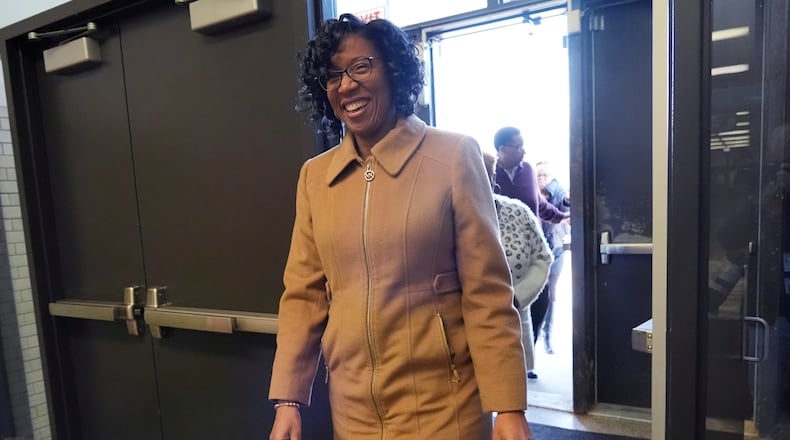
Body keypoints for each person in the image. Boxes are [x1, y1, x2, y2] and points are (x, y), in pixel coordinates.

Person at [269, 14, 533, 440]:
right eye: (333, 75)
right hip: (353, 413)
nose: (346, 85)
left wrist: (508, 406)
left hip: (444, 408)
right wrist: (288, 399)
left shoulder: (452, 157)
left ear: (392, 70)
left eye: (360, 67)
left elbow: (487, 293)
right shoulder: (315, 178)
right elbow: (303, 295)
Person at [493, 127, 568, 375]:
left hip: (535, 244)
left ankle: (527, 353)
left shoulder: (527, 171)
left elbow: (539, 203)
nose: (524, 151)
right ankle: (513, 362)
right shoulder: (491, 175)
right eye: (518, 146)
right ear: (503, 150)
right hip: (504, 256)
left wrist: (560, 216)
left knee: (541, 301)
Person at [484, 152, 553, 382]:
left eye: (485, 175)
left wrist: (517, 298)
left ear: (493, 179)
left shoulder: (518, 212)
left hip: (512, 321)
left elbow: (543, 257)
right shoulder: (444, 216)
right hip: (462, 330)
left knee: (511, 394)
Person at [535, 161, 570, 354]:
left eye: (545, 175)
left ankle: (548, 335)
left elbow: (566, 202)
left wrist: (567, 199)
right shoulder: (531, 193)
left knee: (551, 292)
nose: (542, 179)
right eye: (539, 175)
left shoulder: (558, 192)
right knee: (536, 292)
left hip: (556, 250)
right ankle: (536, 332)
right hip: (536, 251)